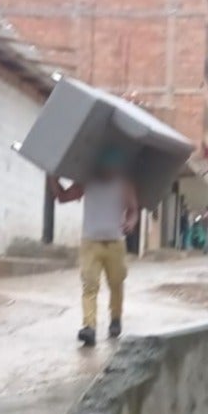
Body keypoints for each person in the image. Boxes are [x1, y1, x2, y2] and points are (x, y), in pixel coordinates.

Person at [48, 147, 139, 347]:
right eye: (107, 168)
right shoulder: (87, 182)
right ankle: (89, 326)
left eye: (113, 168)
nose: (109, 172)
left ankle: (115, 319)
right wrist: (52, 175)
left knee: (116, 283)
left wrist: (131, 222)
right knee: (89, 284)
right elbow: (62, 197)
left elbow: (133, 209)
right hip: (91, 243)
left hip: (115, 243)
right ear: (100, 167)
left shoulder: (124, 185)